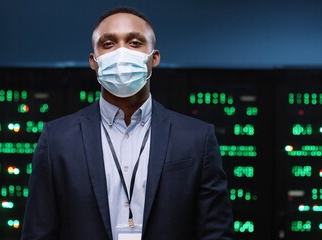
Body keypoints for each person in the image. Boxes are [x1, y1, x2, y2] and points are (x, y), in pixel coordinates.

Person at [21, 6, 235, 240]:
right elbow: (38, 233)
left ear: (154, 58)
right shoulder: (57, 139)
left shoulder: (197, 138)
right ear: (94, 62)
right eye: (109, 44)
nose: (121, 52)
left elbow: (215, 233)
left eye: (134, 43)